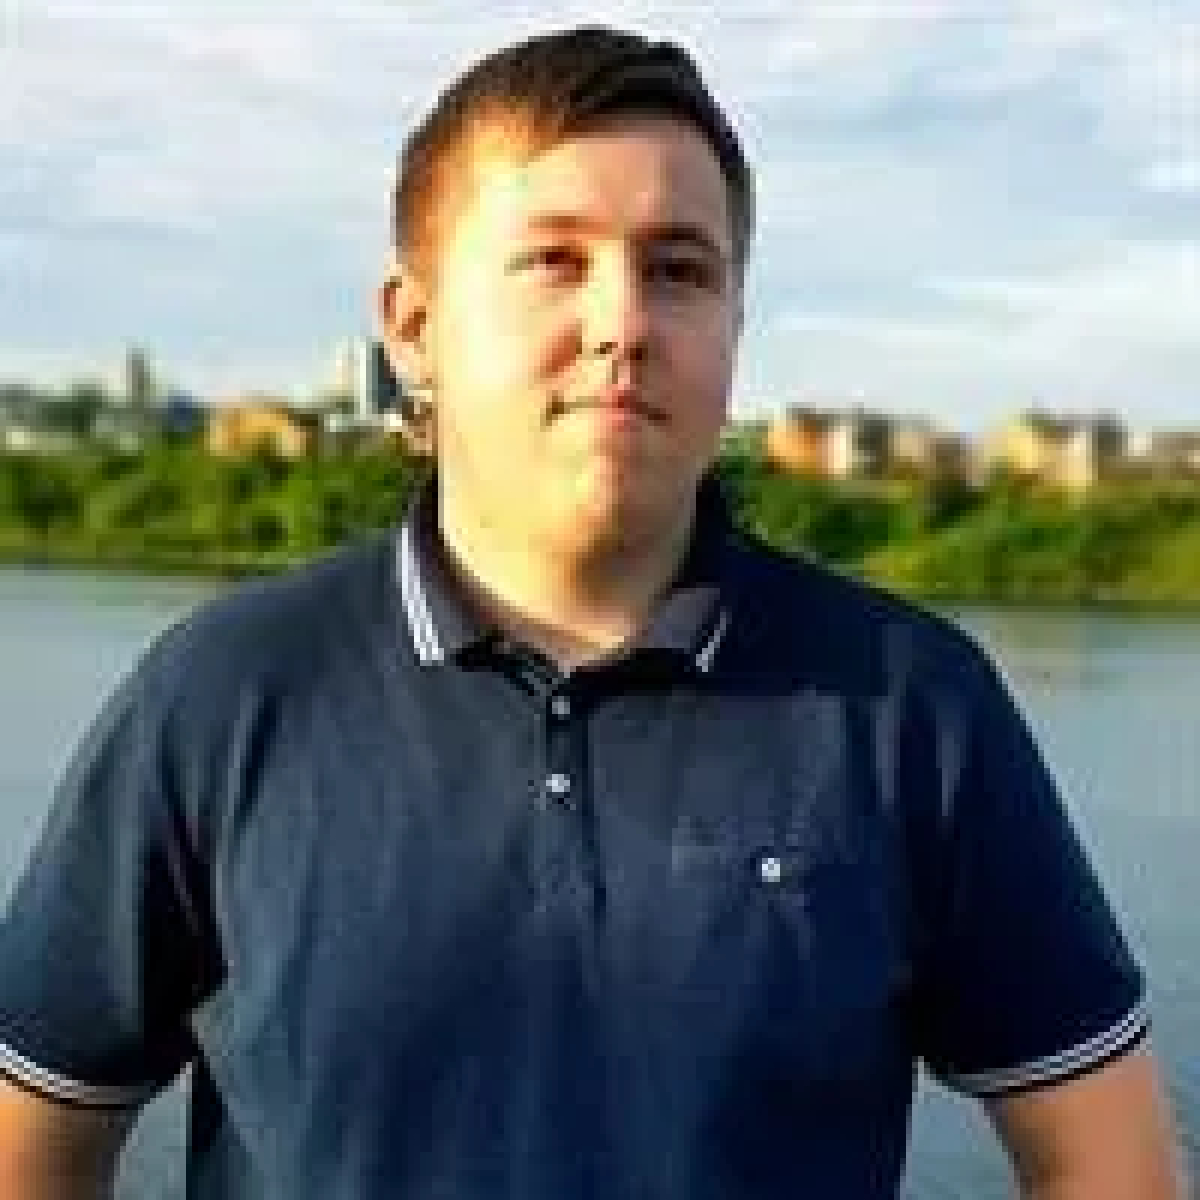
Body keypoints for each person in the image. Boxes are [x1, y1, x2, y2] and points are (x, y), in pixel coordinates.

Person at [0, 24, 1187, 1200]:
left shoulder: (910, 707)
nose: (623, 323)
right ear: (413, 328)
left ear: (734, 324)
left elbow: (1109, 1162)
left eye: (680, 269)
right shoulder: (224, 696)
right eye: (554, 261)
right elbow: (32, 1144)